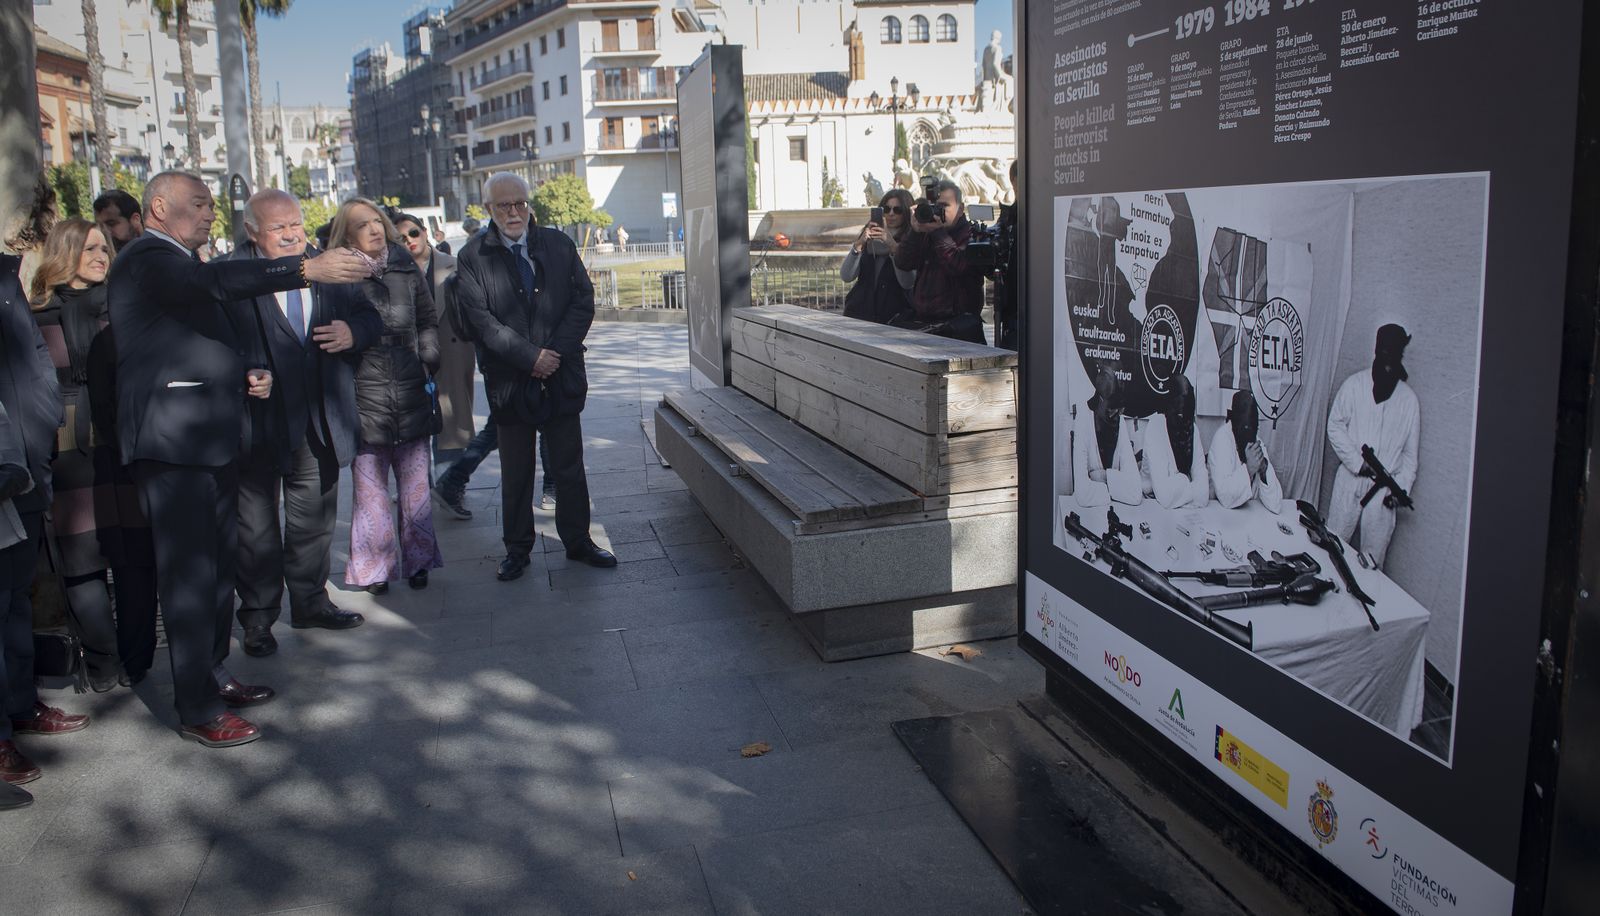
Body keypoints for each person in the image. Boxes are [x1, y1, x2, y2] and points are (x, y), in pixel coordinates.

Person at [108, 171, 372, 747]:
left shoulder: (179, 260)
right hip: (171, 444)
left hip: (207, 438)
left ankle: (212, 673)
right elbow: (213, 285)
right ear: (158, 208)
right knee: (189, 579)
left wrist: (240, 373)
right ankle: (197, 707)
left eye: (208, 204)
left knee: (215, 571)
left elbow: (187, 340)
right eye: (198, 204)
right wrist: (306, 268)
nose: (209, 214)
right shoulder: (148, 257)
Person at [231, 190, 379, 657]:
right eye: (278, 228)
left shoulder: (327, 266)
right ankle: (257, 619)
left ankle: (311, 601)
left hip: (321, 421)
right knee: (254, 531)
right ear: (253, 232)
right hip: (256, 426)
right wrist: (243, 371)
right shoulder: (231, 275)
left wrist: (354, 332)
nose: (293, 233)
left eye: (295, 223)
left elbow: (369, 317)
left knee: (313, 524)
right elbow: (214, 341)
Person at [456, 172, 616, 580]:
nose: (514, 212)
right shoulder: (473, 257)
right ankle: (517, 549)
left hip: (560, 373)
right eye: (504, 206)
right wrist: (530, 358)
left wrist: (554, 353)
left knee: (568, 465)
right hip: (511, 381)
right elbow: (482, 322)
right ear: (488, 210)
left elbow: (583, 300)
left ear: (530, 205)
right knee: (517, 469)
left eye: (520, 204)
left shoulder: (558, 245)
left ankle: (578, 540)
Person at [1, 243, 88, 801]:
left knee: (14, 601)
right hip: (9, 463)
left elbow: (31, 370)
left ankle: (18, 707)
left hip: (23, 467)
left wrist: (40, 437)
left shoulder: (5, 277)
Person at [327, 199, 444, 594]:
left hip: (410, 380)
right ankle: (375, 568)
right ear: (346, 233)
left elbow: (427, 318)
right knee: (370, 487)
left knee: (414, 485)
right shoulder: (338, 272)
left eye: (377, 222)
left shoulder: (402, 265)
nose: (375, 229)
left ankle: (419, 561)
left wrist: (428, 358)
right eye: (364, 225)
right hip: (364, 385)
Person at [26, 220, 123, 690]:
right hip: (66, 450)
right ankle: (104, 662)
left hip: (125, 441)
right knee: (81, 561)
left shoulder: (123, 306)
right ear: (66, 251)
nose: (102, 255)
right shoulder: (36, 314)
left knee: (131, 555)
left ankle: (133, 655)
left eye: (105, 247)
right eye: (91, 248)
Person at [1326, 324, 1419, 568]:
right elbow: (1334, 426)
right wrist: (1358, 462)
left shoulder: (1409, 402)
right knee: (1333, 546)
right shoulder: (1354, 386)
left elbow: (1409, 457)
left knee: (1372, 563)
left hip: (1383, 491)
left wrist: (1401, 490)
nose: (1389, 363)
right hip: (1349, 479)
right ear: (1376, 351)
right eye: (1384, 354)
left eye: (1395, 355)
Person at [395, 213, 471, 468]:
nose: (409, 241)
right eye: (401, 238)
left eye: (414, 233)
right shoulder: (389, 273)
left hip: (450, 354)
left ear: (425, 232)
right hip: (409, 358)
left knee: (451, 421)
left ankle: (449, 487)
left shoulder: (455, 265)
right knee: (410, 427)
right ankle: (417, 488)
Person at [893, 179, 988, 345]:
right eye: (933, 206)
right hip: (926, 326)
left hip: (960, 330)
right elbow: (903, 262)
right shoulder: (926, 231)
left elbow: (958, 266)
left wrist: (937, 233)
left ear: (960, 209)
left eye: (944, 206)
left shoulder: (972, 234)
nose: (937, 212)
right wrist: (914, 232)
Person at [841, 188, 915, 325]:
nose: (891, 214)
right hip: (860, 314)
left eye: (897, 210)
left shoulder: (910, 241)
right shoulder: (868, 238)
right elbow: (846, 276)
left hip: (894, 318)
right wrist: (858, 245)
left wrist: (892, 245)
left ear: (905, 212)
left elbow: (907, 282)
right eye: (886, 209)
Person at [1072, 365, 1141, 507]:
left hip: (1117, 510)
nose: (1116, 417)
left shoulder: (1119, 422)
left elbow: (1135, 493)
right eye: (1111, 411)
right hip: (1090, 515)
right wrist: (1117, 487)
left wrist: (1104, 476)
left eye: (1119, 411)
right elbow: (1082, 494)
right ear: (1099, 403)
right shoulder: (1083, 421)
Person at [1142, 375, 1209, 510]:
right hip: (1152, 507)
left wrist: (1178, 488)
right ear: (1168, 408)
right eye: (1178, 413)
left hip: (1183, 510)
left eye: (1187, 414)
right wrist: (1187, 480)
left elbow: (1203, 494)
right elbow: (1164, 497)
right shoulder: (1156, 427)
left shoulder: (1192, 428)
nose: (1183, 419)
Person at [1209, 390, 1282, 513]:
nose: (1249, 435)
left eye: (1253, 428)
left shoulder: (1256, 441)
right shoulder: (1222, 439)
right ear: (1232, 421)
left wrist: (1264, 470)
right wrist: (1249, 469)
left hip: (1248, 517)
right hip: (1221, 516)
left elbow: (1276, 504)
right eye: (1244, 428)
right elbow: (1225, 498)